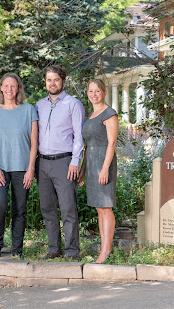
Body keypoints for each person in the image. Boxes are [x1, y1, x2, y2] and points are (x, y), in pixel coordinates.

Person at [0, 72, 38, 258]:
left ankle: (17, 248)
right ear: (0, 87)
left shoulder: (28, 110)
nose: (9, 90)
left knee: (20, 209)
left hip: (22, 168)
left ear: (18, 89)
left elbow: (34, 143)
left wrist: (31, 168)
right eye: (6, 86)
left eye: (13, 86)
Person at [35, 66, 85, 260]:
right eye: (49, 80)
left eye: (56, 79)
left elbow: (79, 136)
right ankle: (54, 248)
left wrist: (75, 161)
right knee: (47, 209)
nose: (52, 83)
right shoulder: (39, 105)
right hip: (43, 164)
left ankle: (72, 251)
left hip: (64, 162)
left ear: (63, 81)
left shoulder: (73, 104)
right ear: (45, 82)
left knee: (68, 208)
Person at [78, 79, 118, 264]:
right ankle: (105, 247)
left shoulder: (109, 114)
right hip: (92, 162)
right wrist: (83, 170)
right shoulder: (92, 114)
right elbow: (88, 146)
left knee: (105, 207)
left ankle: (106, 250)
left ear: (104, 92)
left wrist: (104, 169)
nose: (94, 94)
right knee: (99, 208)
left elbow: (111, 143)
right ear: (87, 93)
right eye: (91, 91)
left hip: (104, 162)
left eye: (97, 91)